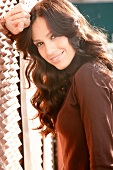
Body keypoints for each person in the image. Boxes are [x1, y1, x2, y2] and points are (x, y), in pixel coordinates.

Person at [1, 0, 113, 169]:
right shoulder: (71, 76)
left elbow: (104, 164)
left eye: (53, 36)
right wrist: (7, 26)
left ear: (72, 30)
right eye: (40, 43)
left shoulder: (89, 75)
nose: (49, 51)